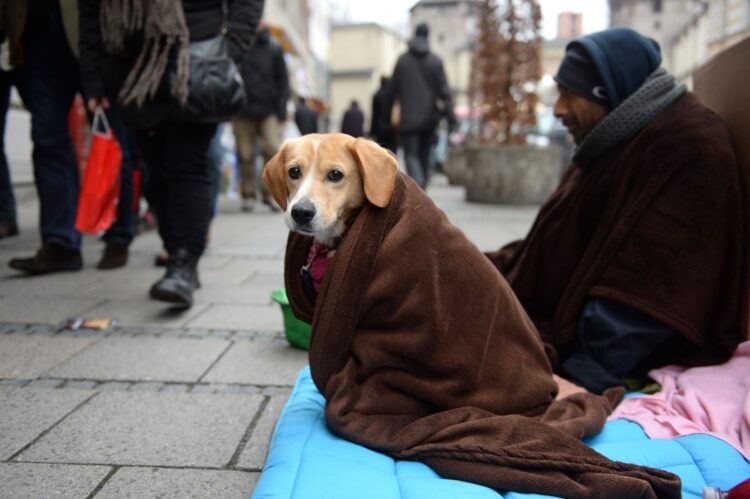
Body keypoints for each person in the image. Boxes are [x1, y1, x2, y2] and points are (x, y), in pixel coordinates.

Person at [485, 27, 744, 394]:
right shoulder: (610, 136)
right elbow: (549, 245)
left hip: (600, 352)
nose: (558, 110)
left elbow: (650, 287)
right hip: (543, 314)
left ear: (604, 91)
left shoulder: (691, 146)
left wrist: (579, 378)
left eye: (568, 94)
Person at [79, 0, 264, 307]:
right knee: (155, 170)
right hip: (133, 70)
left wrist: (229, 52)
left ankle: (184, 263)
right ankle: (176, 251)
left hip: (197, 61)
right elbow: (90, 12)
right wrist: (92, 77)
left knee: (185, 164)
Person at [4, 0, 84, 274]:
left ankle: (120, 233)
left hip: (88, 35)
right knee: (48, 138)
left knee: (119, 139)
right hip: (36, 38)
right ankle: (61, 242)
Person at [386, 22, 456, 189]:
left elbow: (391, 90)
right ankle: (421, 185)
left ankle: (419, 184)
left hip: (408, 118)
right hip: (429, 119)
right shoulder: (435, 62)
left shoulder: (402, 61)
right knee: (424, 156)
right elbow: (444, 91)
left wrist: (385, 117)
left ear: (414, 34)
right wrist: (451, 117)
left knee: (411, 154)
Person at [232, 22, 288, 212]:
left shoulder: (273, 45)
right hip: (242, 109)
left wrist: (281, 111)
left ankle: (270, 195)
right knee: (245, 155)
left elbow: (283, 79)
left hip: (268, 110)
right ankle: (248, 195)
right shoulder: (238, 43)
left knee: (273, 151)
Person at [369, 76, 397, 153]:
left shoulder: (377, 95)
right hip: (391, 128)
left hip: (379, 128)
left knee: (381, 151)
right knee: (392, 152)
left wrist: (372, 132)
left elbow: (374, 114)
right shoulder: (393, 95)